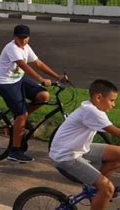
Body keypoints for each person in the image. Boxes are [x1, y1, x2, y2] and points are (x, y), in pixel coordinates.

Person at [0, 24, 66, 163]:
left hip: (17, 79)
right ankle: (14, 151)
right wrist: (41, 79)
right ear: (14, 37)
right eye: (20, 38)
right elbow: (23, 65)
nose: (23, 40)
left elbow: (38, 63)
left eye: (26, 37)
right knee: (21, 114)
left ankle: (20, 120)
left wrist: (57, 76)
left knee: (44, 96)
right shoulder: (12, 48)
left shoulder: (26, 47)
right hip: (4, 82)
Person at [50, 79, 120, 210]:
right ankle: (102, 190)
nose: (114, 104)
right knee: (107, 188)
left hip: (78, 148)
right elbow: (116, 132)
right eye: (112, 100)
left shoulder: (92, 108)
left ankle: (95, 189)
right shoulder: (91, 111)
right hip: (66, 156)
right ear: (99, 97)